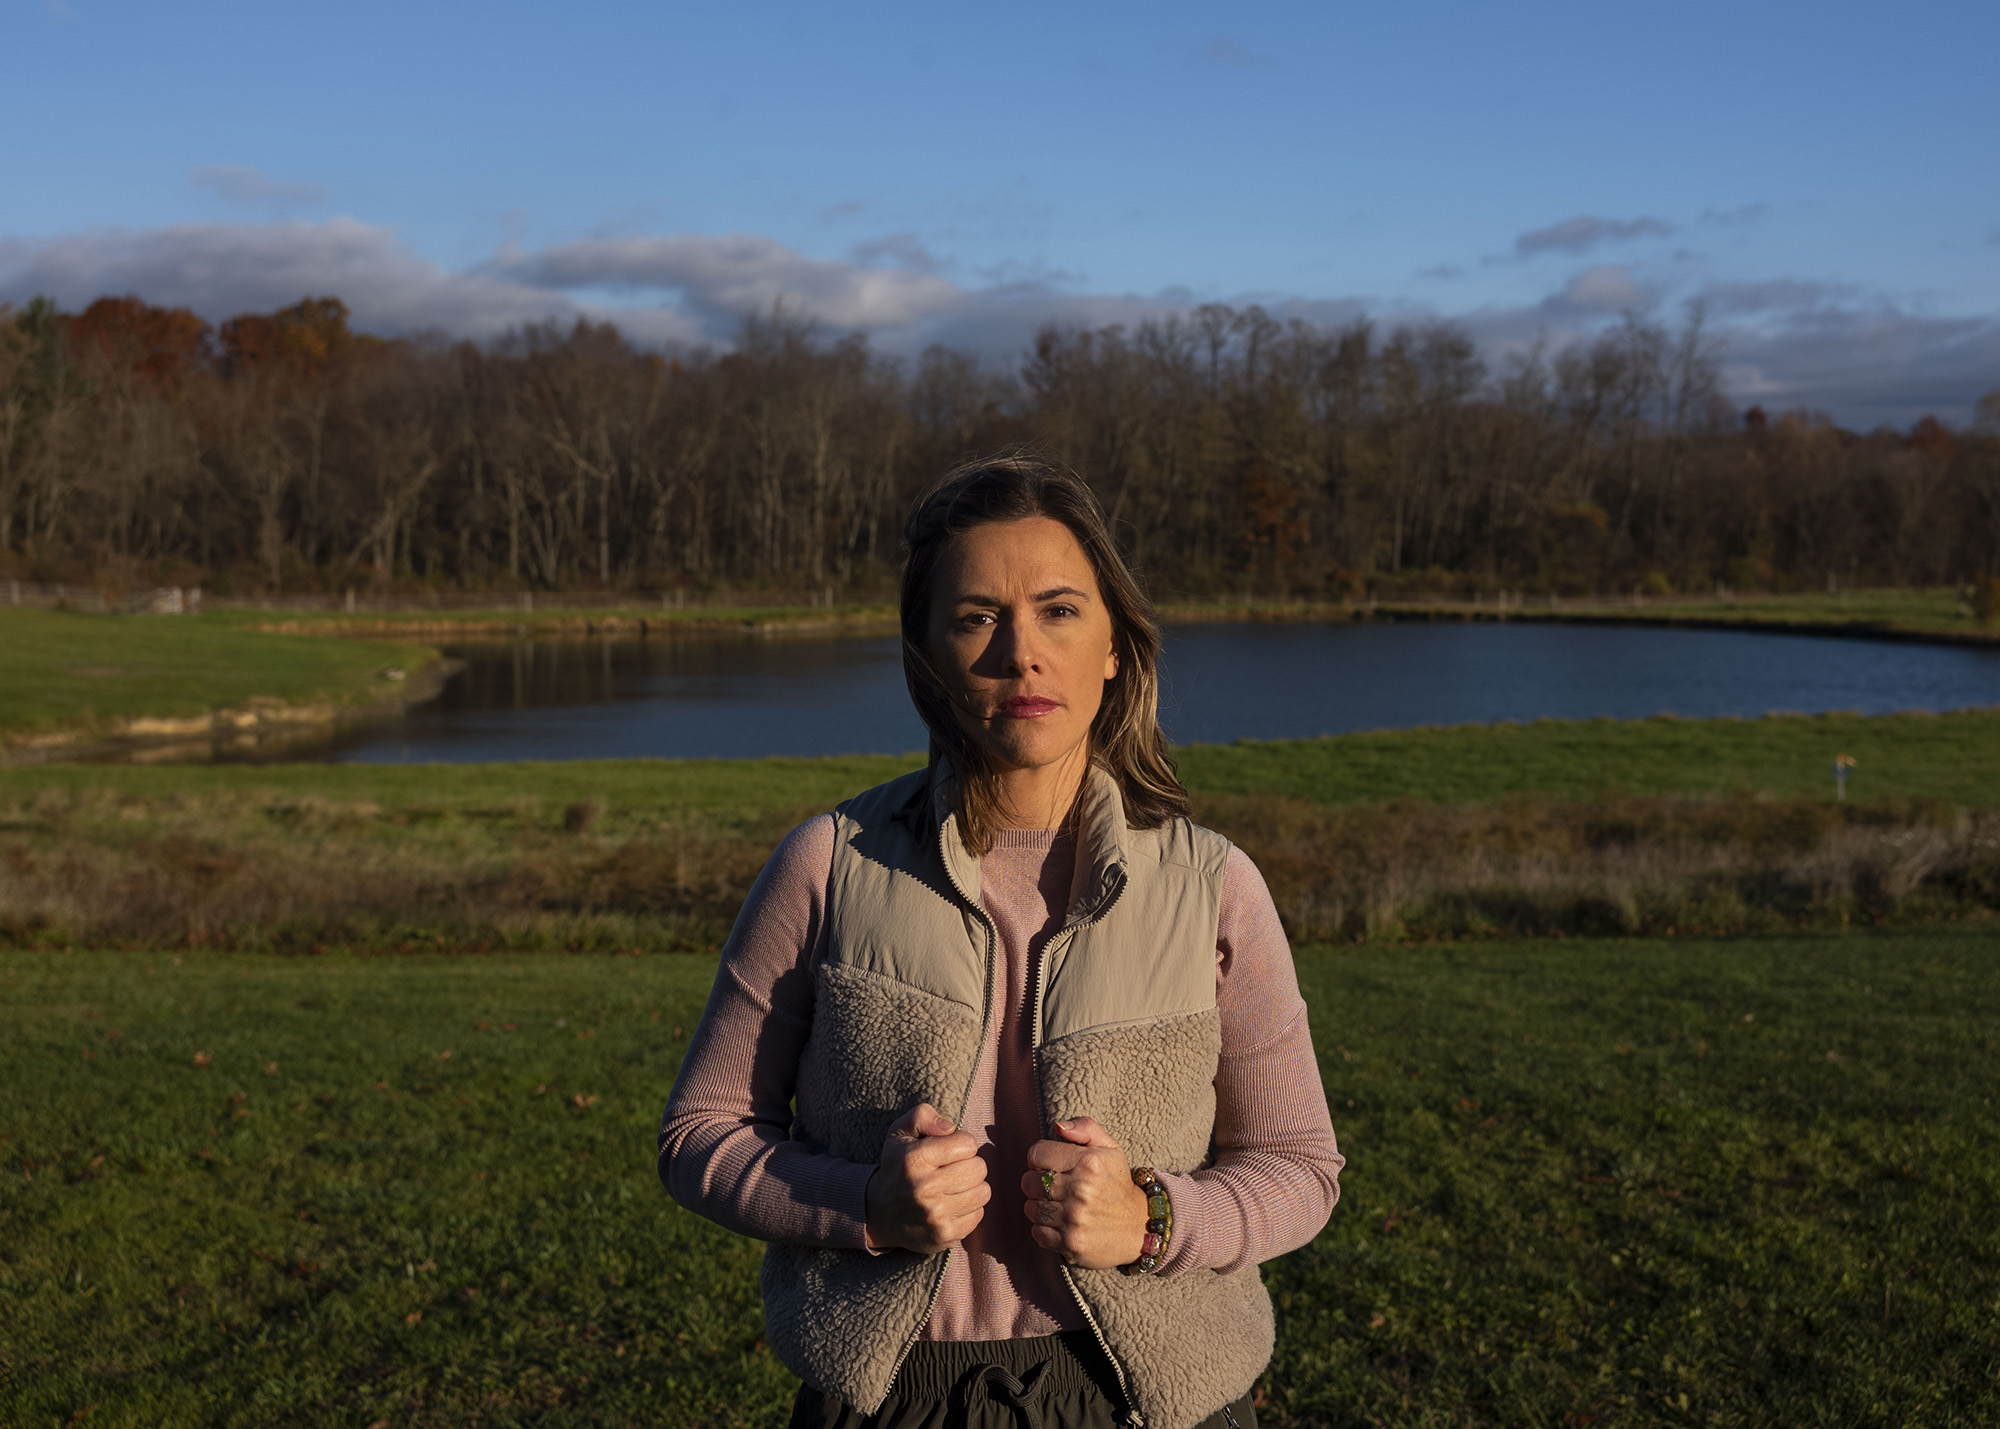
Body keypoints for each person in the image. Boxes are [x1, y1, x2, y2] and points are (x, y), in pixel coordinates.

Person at [659, 453, 1342, 1429]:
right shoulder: (830, 863)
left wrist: (1151, 1218)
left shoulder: (1211, 885)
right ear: (925, 649)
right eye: (977, 615)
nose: (1020, 652)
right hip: (890, 1401)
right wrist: (865, 1206)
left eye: (1059, 609)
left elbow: (1299, 1166)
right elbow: (698, 1136)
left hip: (1160, 1402)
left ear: (1114, 643)